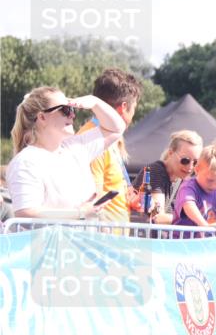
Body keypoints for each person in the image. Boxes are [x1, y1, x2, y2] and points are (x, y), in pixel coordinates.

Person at [8, 86, 126, 219]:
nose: (72, 115)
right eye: (65, 109)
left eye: (72, 108)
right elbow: (25, 213)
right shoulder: (25, 162)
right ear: (42, 117)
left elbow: (117, 128)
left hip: (83, 239)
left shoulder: (75, 147)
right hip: (51, 240)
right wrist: (79, 213)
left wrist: (95, 103)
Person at [77, 68, 142, 224]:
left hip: (113, 239)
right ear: (124, 107)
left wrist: (130, 200)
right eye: (134, 109)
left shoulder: (109, 137)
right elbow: (93, 197)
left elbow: (110, 187)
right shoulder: (93, 140)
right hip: (103, 240)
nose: (133, 116)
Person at [137, 130, 203, 224]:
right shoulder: (155, 171)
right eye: (185, 160)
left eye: (195, 162)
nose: (190, 167)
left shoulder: (183, 178)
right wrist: (199, 221)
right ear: (171, 153)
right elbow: (158, 217)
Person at [173, 140, 216, 231]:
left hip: (205, 242)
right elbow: (189, 205)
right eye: (210, 180)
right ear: (197, 169)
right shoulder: (189, 187)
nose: (214, 186)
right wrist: (205, 226)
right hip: (182, 241)